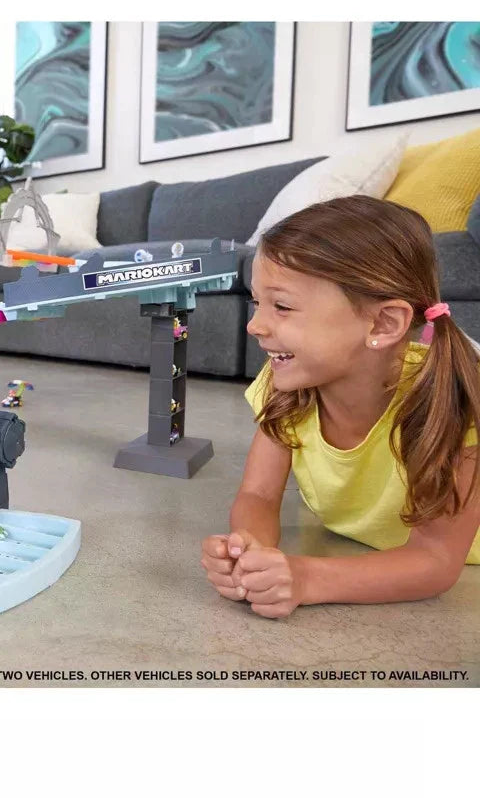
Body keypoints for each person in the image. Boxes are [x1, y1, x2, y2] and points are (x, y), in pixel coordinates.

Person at [201, 195, 480, 618]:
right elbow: (258, 493)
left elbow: (436, 561)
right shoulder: (285, 387)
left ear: (383, 323)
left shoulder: (454, 403)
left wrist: (305, 577)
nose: (254, 325)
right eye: (258, 302)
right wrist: (251, 550)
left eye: (282, 306)